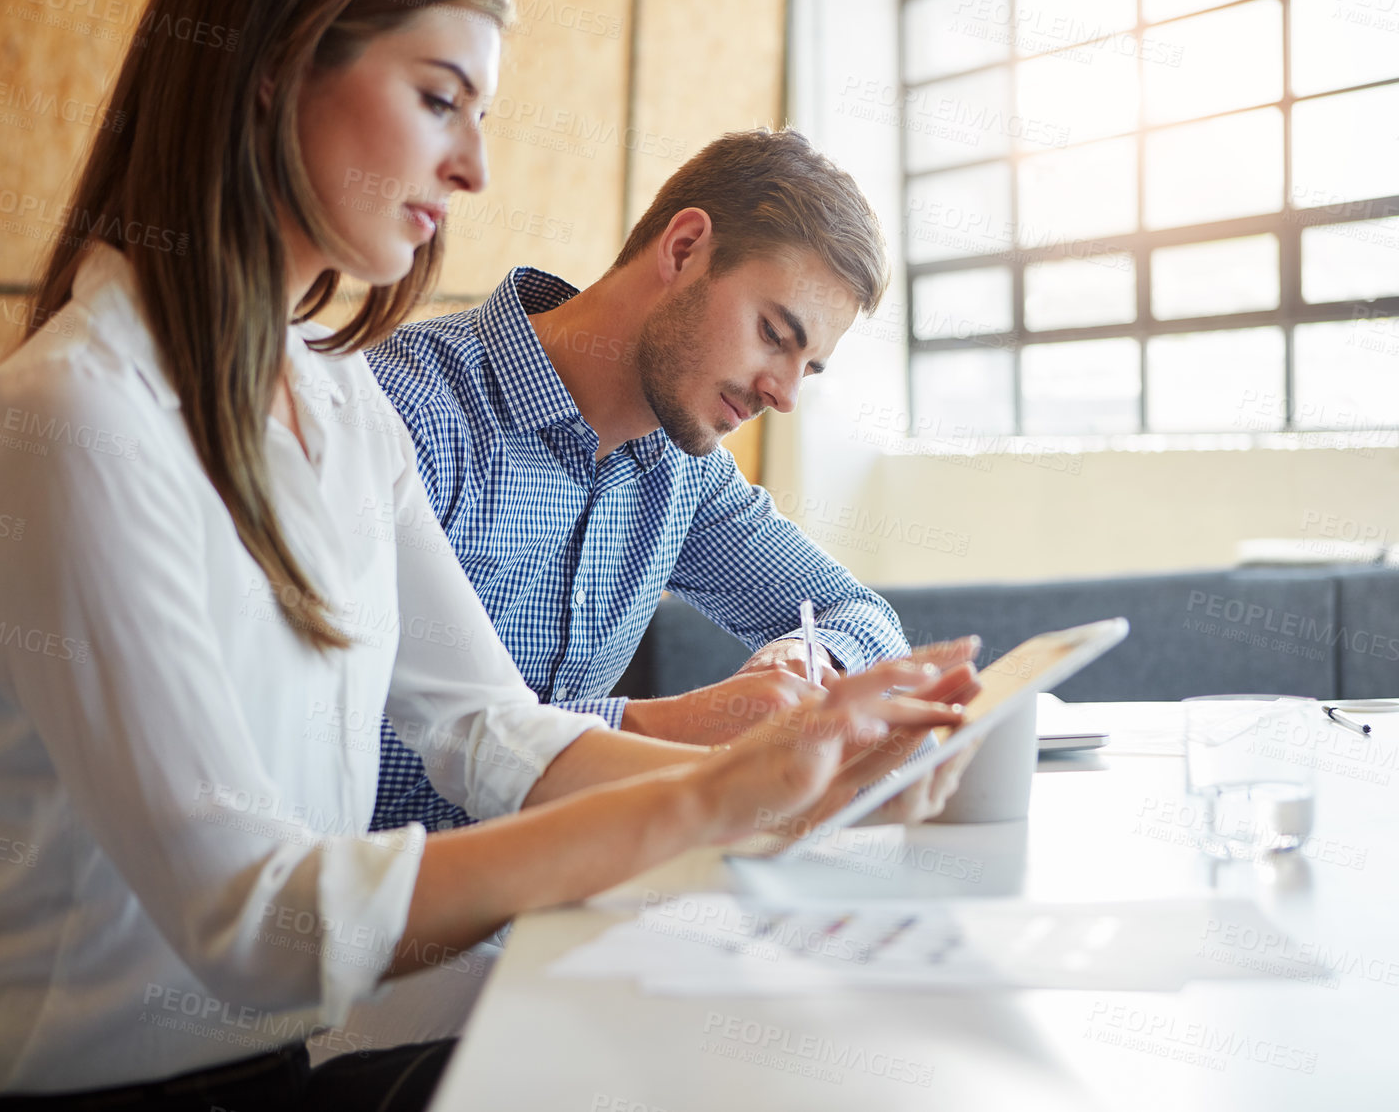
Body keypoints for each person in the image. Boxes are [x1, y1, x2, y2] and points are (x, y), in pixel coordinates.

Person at [0, 0, 974, 1107]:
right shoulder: (77, 417)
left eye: (481, 115)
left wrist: (796, 791)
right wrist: (709, 798)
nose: (474, 166)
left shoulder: (338, 407)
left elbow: (495, 732)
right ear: (271, 72)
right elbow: (252, 920)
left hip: (288, 1048)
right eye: (438, 98)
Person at [367, 128, 972, 833]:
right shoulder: (407, 412)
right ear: (684, 250)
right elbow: (345, 739)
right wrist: (663, 725)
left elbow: (863, 616)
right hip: (386, 918)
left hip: (570, 904)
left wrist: (807, 658)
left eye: (808, 367)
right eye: (775, 335)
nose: (783, 395)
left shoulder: (686, 472)